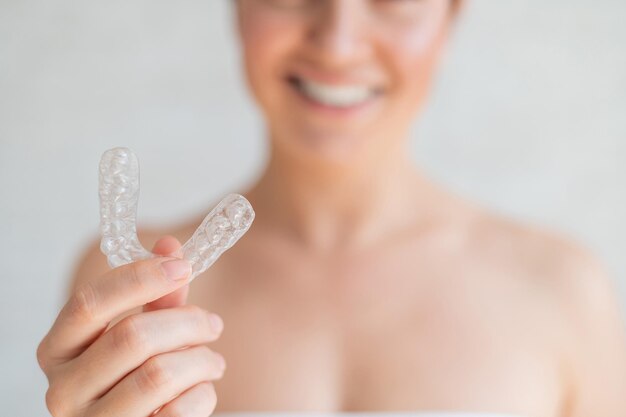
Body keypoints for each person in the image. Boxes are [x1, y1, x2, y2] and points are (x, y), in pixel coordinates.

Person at [37, 1, 626, 416]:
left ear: (450, 18)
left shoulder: (564, 290)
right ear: (238, 9)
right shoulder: (121, 289)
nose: (338, 43)